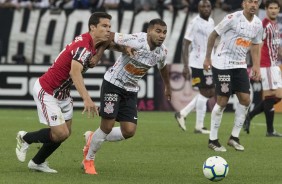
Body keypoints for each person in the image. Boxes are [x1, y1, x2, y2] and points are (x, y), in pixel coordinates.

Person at [15, 12, 132, 173]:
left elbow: (110, 43)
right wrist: (87, 99)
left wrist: (124, 49)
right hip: (48, 90)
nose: (108, 30)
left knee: (65, 133)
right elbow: (74, 72)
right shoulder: (83, 47)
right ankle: (25, 137)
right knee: (60, 133)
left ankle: (37, 162)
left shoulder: (93, 41)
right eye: (104, 26)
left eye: (109, 26)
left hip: (62, 93)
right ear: (92, 27)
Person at [82, 18, 172, 175]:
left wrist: (168, 86)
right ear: (149, 31)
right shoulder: (137, 40)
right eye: (158, 31)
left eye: (164, 32)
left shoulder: (162, 51)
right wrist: (98, 56)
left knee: (129, 131)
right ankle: (89, 160)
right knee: (107, 126)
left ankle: (93, 138)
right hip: (113, 83)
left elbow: (163, 67)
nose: (162, 35)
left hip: (130, 90)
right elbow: (109, 37)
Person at [203, 0, 263, 152]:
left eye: (256, 2)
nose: (253, 5)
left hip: (240, 65)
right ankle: (213, 139)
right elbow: (213, 35)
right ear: (244, 3)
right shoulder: (232, 18)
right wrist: (208, 58)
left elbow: (256, 44)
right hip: (222, 63)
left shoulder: (257, 24)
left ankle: (234, 138)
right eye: (250, 1)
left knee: (245, 99)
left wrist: (256, 65)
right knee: (222, 101)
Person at [174, 0, 215, 134]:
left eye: (208, 6)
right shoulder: (194, 22)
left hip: (209, 62)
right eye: (203, 6)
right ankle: (189, 118)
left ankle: (190, 119)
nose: (206, 8)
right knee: (207, 92)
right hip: (197, 63)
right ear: (198, 8)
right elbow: (185, 44)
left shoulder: (212, 22)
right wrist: (185, 66)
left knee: (209, 92)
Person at [243, 0, 282, 137]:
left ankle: (249, 116)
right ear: (266, 9)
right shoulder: (264, 24)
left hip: (274, 65)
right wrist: (256, 67)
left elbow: (275, 47)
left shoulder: (275, 25)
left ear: (278, 10)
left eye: (276, 8)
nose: (273, 10)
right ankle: (269, 130)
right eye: (270, 8)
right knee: (273, 96)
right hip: (266, 65)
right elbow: (257, 45)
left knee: (275, 97)